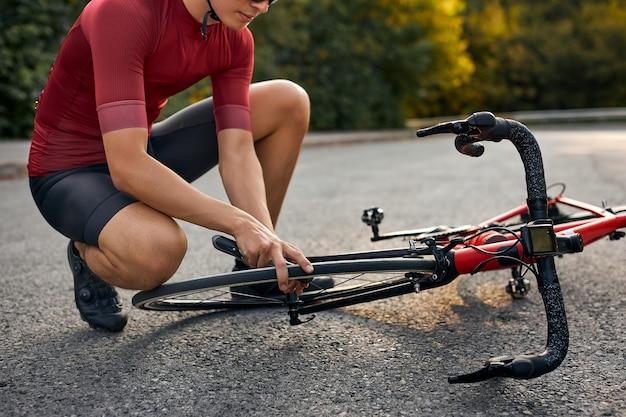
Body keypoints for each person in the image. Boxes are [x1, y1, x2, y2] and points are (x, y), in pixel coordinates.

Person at [28, 0, 330, 332]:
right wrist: (239, 224)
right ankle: (88, 251)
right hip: (69, 170)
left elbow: (238, 152)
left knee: (288, 101)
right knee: (158, 251)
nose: (262, 6)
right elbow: (127, 166)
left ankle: (254, 275)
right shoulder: (124, 10)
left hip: (140, 146)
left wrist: (264, 239)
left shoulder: (234, 36)